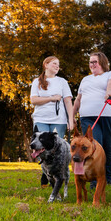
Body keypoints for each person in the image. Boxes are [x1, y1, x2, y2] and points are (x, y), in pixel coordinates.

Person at [73, 52, 111, 188]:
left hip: (110, 115)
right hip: (87, 116)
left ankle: (108, 178)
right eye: (90, 62)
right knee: (94, 145)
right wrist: (72, 116)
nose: (92, 65)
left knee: (109, 147)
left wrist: (108, 92)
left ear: (102, 62)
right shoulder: (85, 80)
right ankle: (94, 180)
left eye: (95, 62)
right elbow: (78, 99)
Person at [30, 56, 74, 187]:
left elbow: (67, 101)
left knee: (56, 149)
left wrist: (71, 120)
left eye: (58, 64)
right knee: (40, 147)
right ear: (46, 65)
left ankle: (53, 175)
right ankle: (46, 173)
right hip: (40, 118)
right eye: (54, 63)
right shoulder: (37, 81)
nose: (57, 66)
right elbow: (33, 100)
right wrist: (51, 98)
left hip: (58, 120)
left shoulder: (62, 82)